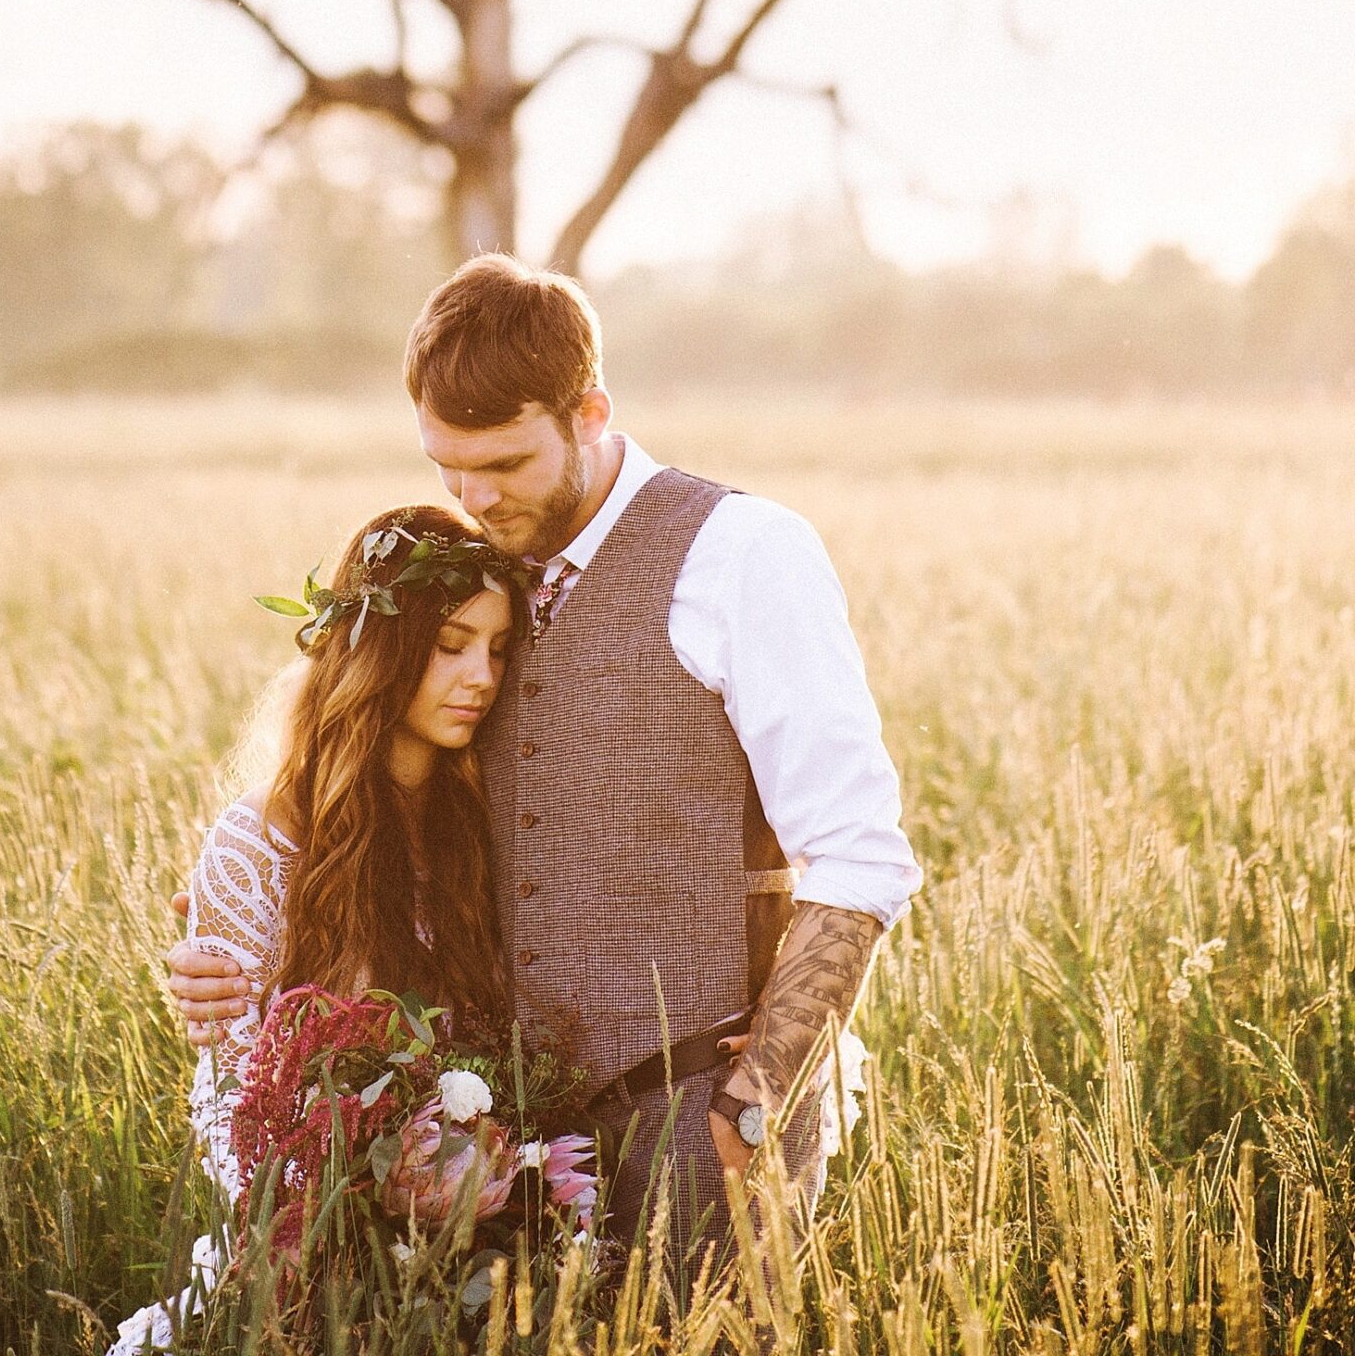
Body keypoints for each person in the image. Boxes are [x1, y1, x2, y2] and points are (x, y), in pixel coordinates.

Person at [168, 255, 920, 1243]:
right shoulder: (476, 573)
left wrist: (761, 1094)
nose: (474, 497)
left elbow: (859, 855)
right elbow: (368, 799)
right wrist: (235, 931)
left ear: (590, 414)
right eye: (448, 465)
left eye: (506, 463)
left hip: (704, 1125)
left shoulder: (744, 553)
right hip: (498, 1166)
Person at [111, 501, 528, 1352]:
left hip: (482, 1245)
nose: (481, 676)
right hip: (306, 1246)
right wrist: (331, 1222)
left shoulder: (488, 820)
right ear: (381, 651)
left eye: (497, 648)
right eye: (451, 645)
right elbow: (228, 1096)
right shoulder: (260, 840)